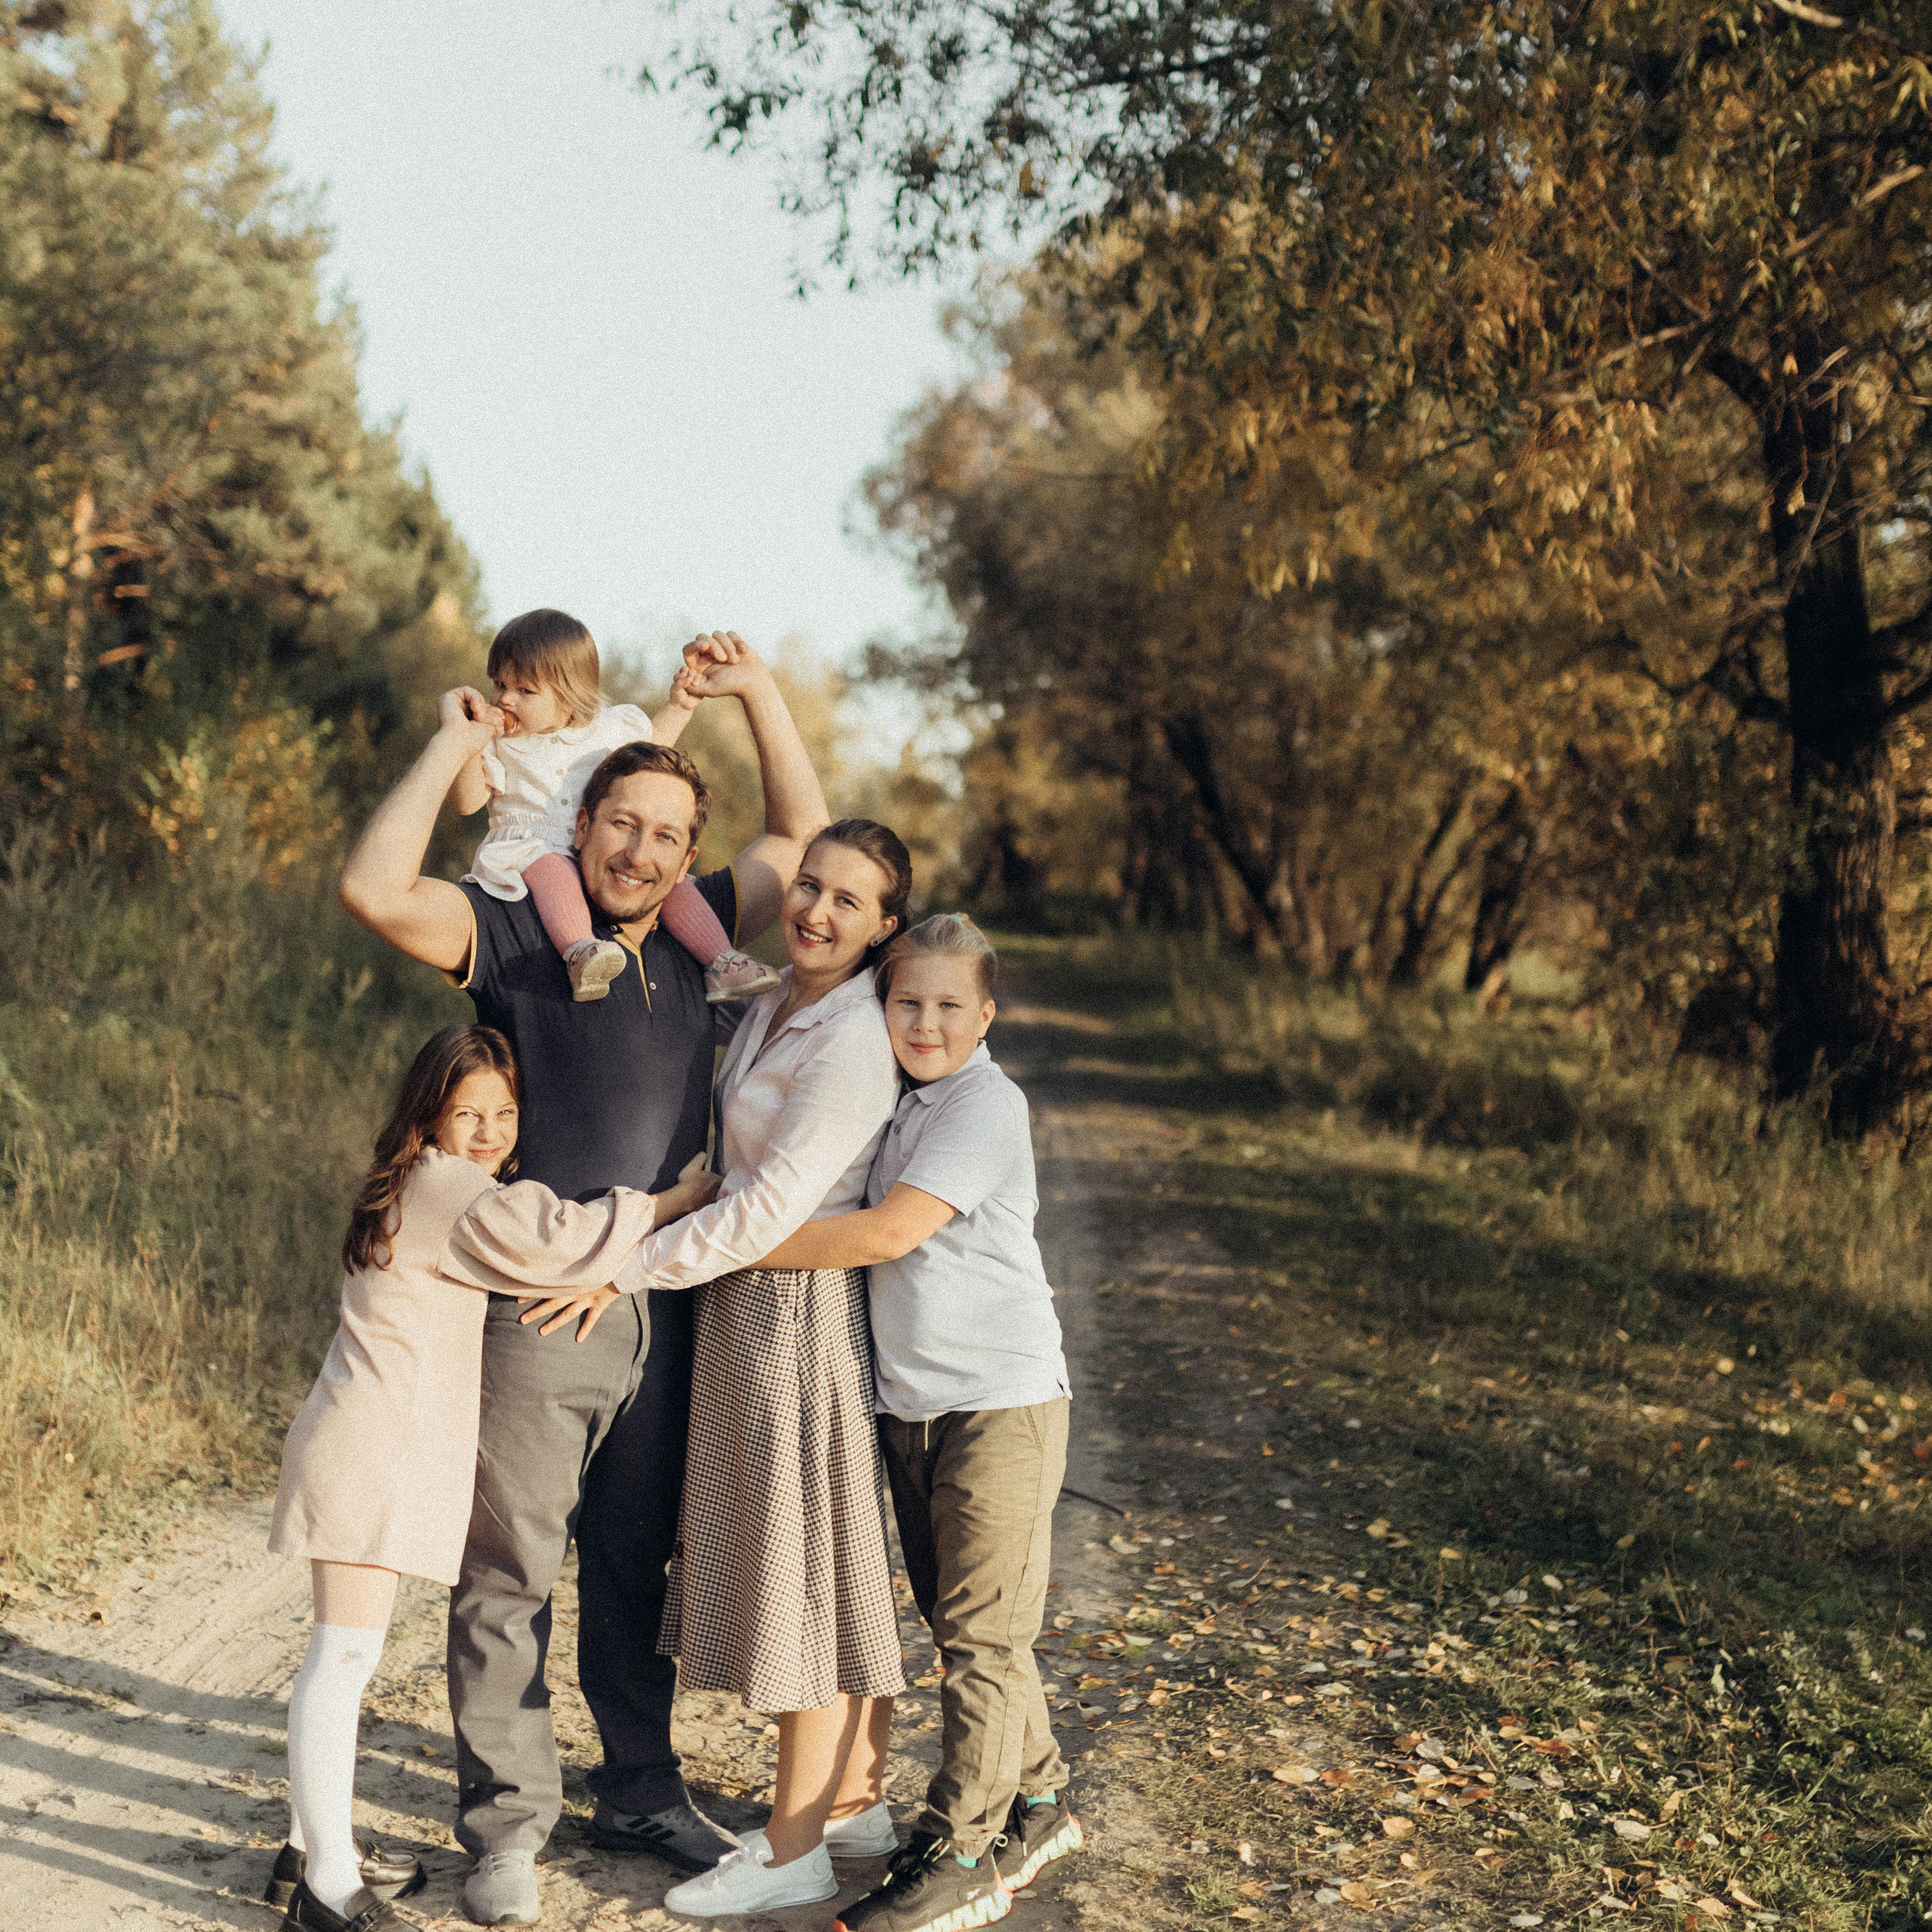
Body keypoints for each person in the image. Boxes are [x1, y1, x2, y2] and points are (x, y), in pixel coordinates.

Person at [337, 631, 829, 1929]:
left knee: (629, 1560)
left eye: (669, 833)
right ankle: (505, 1828)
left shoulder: (699, 934)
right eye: (623, 822)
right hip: (538, 1312)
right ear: (586, 818)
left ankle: (641, 1789)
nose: (644, 851)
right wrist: (457, 737)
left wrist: (763, 694)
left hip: (664, 1303)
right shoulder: (508, 931)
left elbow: (808, 836)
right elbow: (376, 888)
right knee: (512, 1572)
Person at [488, 820, 915, 1921]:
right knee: (820, 1556)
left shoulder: (854, 1036)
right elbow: (719, 1163)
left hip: (789, 1312)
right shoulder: (776, 999)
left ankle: (792, 1851)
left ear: (885, 930)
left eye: (847, 903)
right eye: (809, 887)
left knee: (798, 1577)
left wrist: (621, 1266)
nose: (816, 911)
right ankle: (858, 1805)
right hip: (735, 1301)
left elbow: (768, 1208)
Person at [265, 1024, 721, 1932]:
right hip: (371, 1447)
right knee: (343, 1658)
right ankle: (324, 1892)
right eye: (465, 1111)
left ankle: (309, 1853)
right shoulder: (453, 1189)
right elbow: (568, 1236)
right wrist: (679, 1198)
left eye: (504, 1114)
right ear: (427, 1114)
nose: (487, 1132)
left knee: (346, 1656)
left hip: (369, 1436)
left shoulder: (421, 1184)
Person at [753, 914, 1078, 1932]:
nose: (926, 1022)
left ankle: (961, 1852)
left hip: (1001, 1406)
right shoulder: (902, 1095)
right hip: (913, 1408)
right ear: (882, 1004)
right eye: (908, 1002)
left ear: (985, 1014)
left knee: (982, 1640)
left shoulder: (987, 1105)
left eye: (949, 1006)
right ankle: (1040, 1800)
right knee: (965, 1628)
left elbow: (889, 1230)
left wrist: (739, 1241)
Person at [450, 606, 777, 1005]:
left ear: (570, 696)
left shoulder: (606, 730)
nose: (505, 699)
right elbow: (468, 802)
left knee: (672, 882)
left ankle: (722, 962)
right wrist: (466, 741)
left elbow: (652, 748)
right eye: (499, 685)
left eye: (525, 691)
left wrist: (681, 705)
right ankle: (581, 952)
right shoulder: (498, 745)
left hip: (599, 847)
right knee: (554, 870)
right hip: (533, 848)